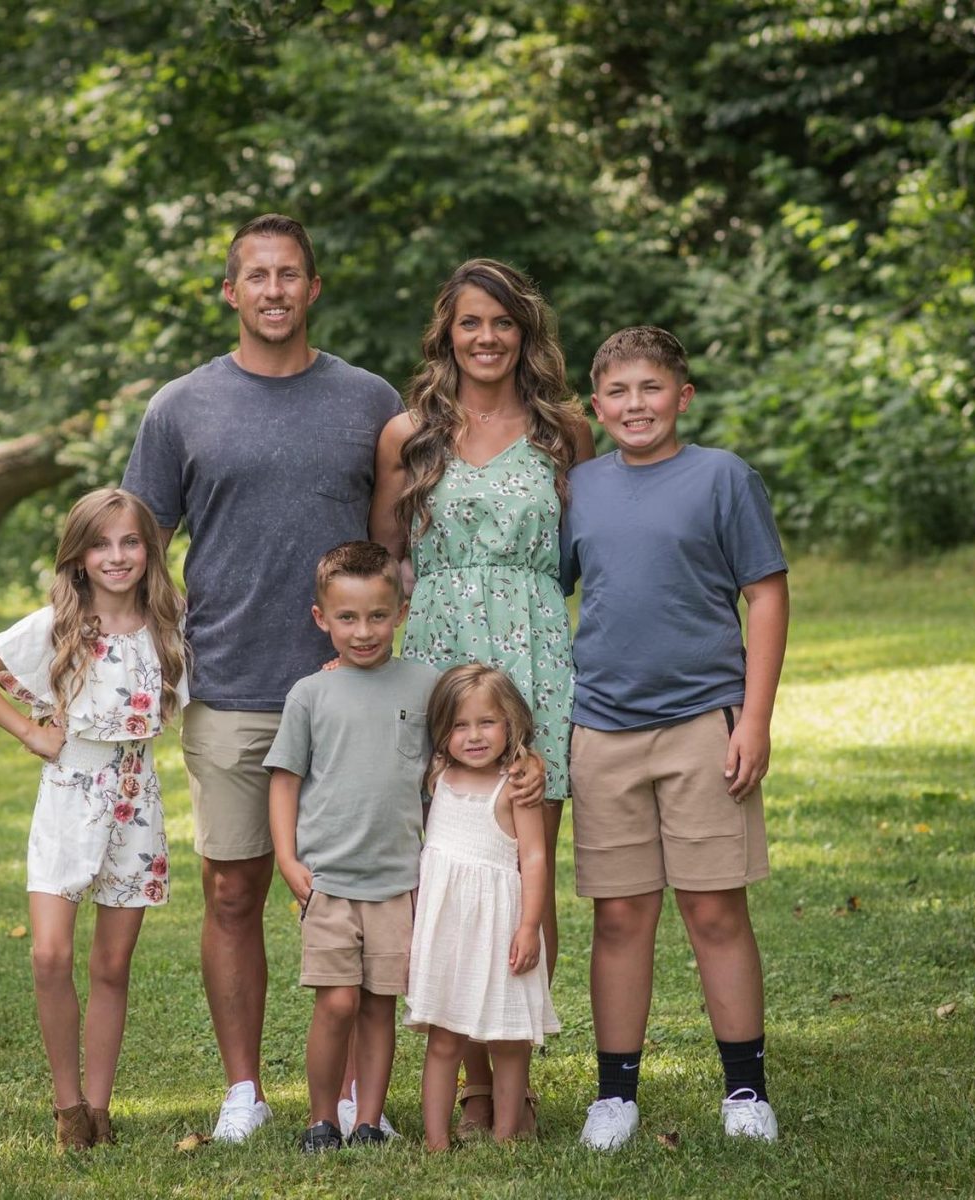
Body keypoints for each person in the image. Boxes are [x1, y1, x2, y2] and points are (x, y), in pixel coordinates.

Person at [121, 214, 403, 1141]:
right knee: (234, 889)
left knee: (366, 891)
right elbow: (138, 547)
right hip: (234, 683)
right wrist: (137, 655)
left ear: (314, 289)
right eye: (257, 276)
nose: (274, 290)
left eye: (290, 274)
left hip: (357, 688)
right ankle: (243, 1088)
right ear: (230, 292)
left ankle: (364, 1096)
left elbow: (397, 545)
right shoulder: (182, 407)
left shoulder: (369, 401)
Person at [370, 257, 593, 1133]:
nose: (487, 338)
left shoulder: (564, 430)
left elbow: (584, 550)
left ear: (525, 333)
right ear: (447, 333)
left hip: (534, 662)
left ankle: (516, 1080)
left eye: (503, 323)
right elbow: (386, 555)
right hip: (435, 662)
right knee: (447, 873)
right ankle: (468, 1086)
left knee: (521, 867)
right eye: (471, 323)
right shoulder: (408, 434)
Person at [560, 326, 790, 1150]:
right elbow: (550, 592)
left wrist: (754, 717)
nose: (636, 406)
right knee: (620, 916)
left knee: (714, 909)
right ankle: (615, 1096)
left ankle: (745, 1090)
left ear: (682, 396)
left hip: (704, 725)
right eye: (618, 393)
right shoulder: (580, 487)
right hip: (603, 728)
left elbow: (764, 594)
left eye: (651, 389)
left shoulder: (723, 478)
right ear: (597, 406)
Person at [0, 488, 188, 1152]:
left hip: (137, 799)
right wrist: (29, 730)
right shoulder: (58, 623)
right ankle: (66, 1105)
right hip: (70, 790)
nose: (118, 556)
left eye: (131, 541)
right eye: (102, 543)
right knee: (51, 955)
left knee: (113, 963)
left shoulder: (170, 622)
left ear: (149, 549)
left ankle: (99, 1112)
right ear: (79, 554)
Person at [265, 542, 439, 1151]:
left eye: (377, 616)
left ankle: (368, 1120)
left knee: (378, 1006)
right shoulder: (310, 695)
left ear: (401, 612)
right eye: (347, 618)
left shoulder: (425, 686)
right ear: (322, 618)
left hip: (397, 880)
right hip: (329, 880)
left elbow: (447, 768)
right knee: (336, 1002)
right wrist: (288, 859)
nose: (363, 632)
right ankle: (322, 1118)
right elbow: (285, 781)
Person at [405, 664, 559, 1150]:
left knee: (509, 1040)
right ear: (441, 732)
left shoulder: (515, 785)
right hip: (447, 932)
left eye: (486, 723)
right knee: (445, 1038)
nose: (473, 736)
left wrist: (529, 926)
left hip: (500, 927)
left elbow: (534, 857)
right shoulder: (436, 776)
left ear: (510, 722)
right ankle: (436, 1141)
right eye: (459, 725)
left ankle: (507, 1133)